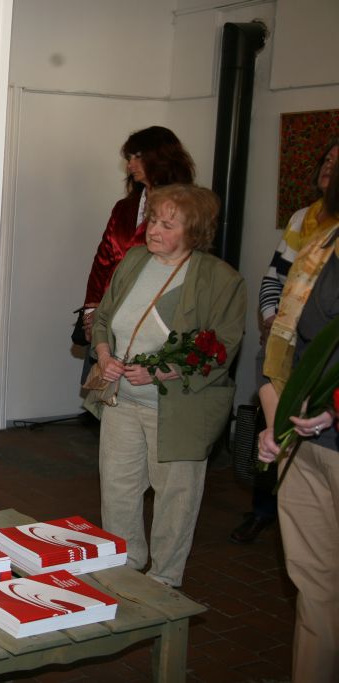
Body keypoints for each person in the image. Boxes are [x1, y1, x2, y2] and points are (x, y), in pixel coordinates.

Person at [86, 184, 245, 588]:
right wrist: (104, 356)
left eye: (167, 225)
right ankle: (124, 561)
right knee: (118, 488)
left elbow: (222, 348)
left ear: (195, 232)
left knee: (176, 496)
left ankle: (164, 577)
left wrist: (161, 373)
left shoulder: (221, 279)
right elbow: (103, 317)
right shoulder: (134, 260)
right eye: (153, 220)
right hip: (121, 401)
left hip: (176, 410)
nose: (154, 230)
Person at [232, 138, 338, 544]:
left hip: (325, 415)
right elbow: (275, 278)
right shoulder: (308, 230)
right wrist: (273, 319)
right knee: (310, 559)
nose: (330, 167)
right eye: (327, 159)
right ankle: (263, 510)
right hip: (294, 396)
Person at [257, 164, 339, 683]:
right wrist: (275, 425)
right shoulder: (319, 249)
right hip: (304, 446)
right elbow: (281, 347)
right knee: (315, 586)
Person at [81, 126, 195, 342]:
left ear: (161, 157)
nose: (130, 165)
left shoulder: (186, 209)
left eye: (138, 156)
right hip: (107, 317)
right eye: (129, 158)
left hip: (155, 322)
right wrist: (91, 312)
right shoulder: (124, 208)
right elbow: (101, 263)